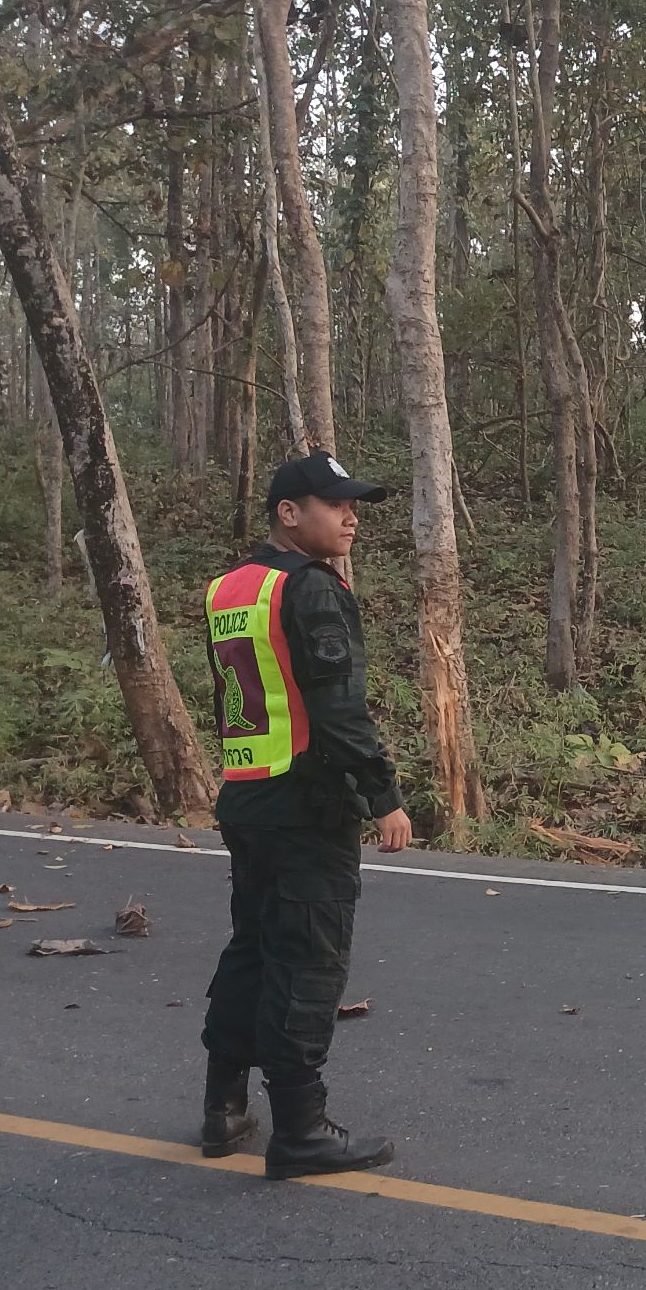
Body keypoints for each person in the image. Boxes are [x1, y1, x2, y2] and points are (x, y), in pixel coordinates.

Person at [200, 451, 410, 1180]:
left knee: (253, 947)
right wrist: (383, 795)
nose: (350, 518)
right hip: (305, 803)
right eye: (335, 505)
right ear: (289, 513)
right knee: (308, 961)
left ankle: (224, 1105)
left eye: (354, 506)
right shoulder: (312, 587)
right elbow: (337, 708)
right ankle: (300, 1128)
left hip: (247, 795)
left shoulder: (230, 586)